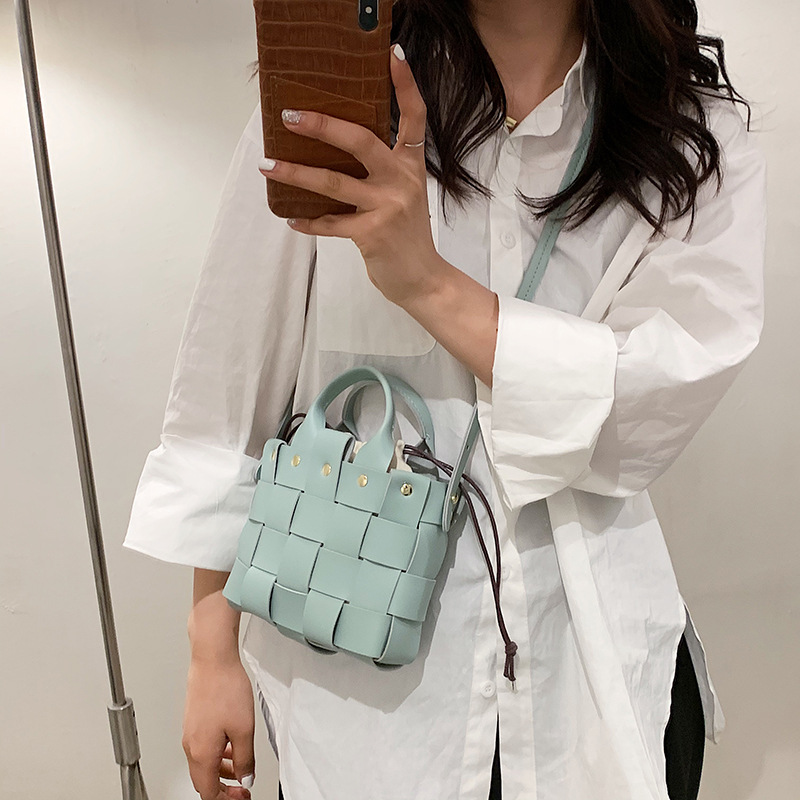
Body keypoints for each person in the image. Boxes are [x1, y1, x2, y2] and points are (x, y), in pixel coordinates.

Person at [122, 1, 767, 799]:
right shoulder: (339, 101)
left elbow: (644, 406)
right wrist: (210, 645)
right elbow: (228, 400)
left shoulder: (687, 134)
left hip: (590, 686)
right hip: (367, 712)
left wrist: (428, 284)